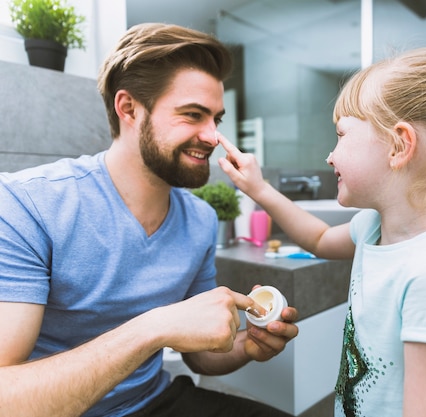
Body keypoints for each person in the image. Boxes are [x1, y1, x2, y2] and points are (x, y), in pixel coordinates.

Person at [218, 40, 426, 417]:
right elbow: (320, 239)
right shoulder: (375, 227)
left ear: (398, 146)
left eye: (341, 135)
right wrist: (258, 189)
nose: (330, 154)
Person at [0, 23, 298, 417]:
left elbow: (200, 358)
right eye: (193, 115)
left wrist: (247, 345)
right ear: (129, 109)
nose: (213, 137)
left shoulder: (200, 220)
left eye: (216, 120)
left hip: (155, 401)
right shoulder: (28, 204)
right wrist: (153, 328)